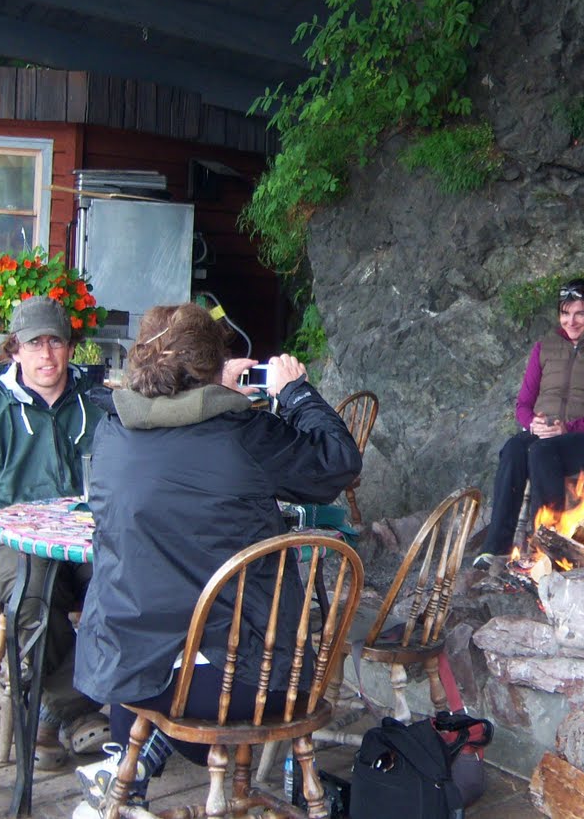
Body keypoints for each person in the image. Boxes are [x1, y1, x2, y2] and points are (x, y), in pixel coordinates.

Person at [71, 302, 362, 814]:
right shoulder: (244, 437)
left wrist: (211, 391)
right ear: (210, 366)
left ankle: (131, 768)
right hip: (239, 684)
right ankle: (148, 760)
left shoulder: (112, 430)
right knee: (236, 628)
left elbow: (178, 420)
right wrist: (294, 392)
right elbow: (338, 464)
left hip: (128, 674)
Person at [0, 295, 109, 767]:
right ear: (15, 351)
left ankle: (53, 710)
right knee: (33, 590)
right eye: (34, 344)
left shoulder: (98, 406)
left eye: (56, 342)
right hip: (8, 546)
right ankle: (74, 711)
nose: (46, 355)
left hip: (86, 542)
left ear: (71, 348)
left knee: (128, 585)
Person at [473, 278, 584, 566]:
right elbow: (523, 404)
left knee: (541, 451)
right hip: (545, 437)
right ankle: (496, 548)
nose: (572, 321)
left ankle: (548, 544)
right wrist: (533, 423)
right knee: (514, 449)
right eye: (565, 313)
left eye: (580, 313)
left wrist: (569, 428)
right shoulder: (544, 347)